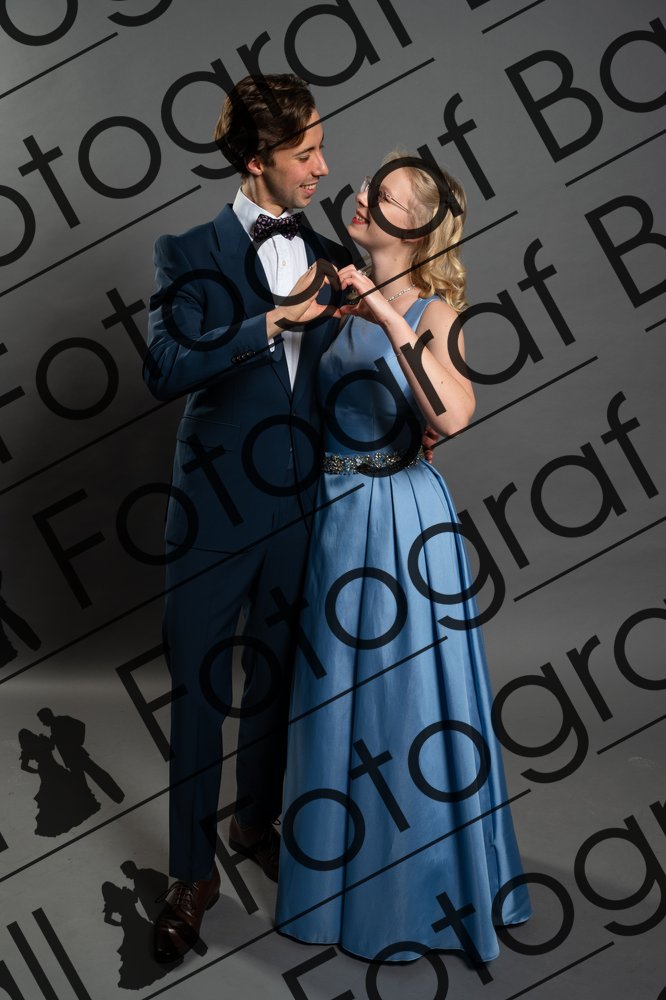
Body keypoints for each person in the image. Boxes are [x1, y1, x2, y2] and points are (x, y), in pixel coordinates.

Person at [275, 155, 532, 963]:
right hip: (334, 516)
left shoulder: (435, 311)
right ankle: (331, 890)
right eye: (365, 188)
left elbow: (452, 417)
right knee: (332, 700)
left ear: (415, 227)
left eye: (380, 196)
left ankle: (415, 896)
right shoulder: (328, 288)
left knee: (404, 703)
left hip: (401, 517)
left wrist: (389, 317)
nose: (358, 197)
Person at [143, 73, 351, 963]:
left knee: (276, 679)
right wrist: (270, 320)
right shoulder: (185, 251)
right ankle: (190, 875)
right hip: (213, 510)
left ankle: (255, 823)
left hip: (303, 507)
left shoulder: (334, 250)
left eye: (321, 147)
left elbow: (347, 374)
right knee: (201, 689)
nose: (323, 166)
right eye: (307, 153)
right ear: (259, 160)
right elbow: (165, 367)